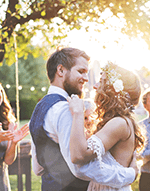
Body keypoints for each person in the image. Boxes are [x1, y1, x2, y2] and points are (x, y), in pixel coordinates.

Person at [30, 47, 139, 191]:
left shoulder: (40, 108)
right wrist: (130, 174)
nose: (87, 80)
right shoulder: (66, 109)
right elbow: (79, 167)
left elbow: (38, 168)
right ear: (61, 71)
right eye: (81, 71)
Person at [68, 62, 146, 191]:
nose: (94, 86)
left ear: (113, 89)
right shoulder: (118, 121)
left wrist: (77, 114)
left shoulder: (119, 123)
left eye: (101, 81)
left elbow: (78, 156)